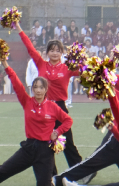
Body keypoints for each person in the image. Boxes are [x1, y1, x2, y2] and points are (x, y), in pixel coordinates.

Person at [54, 73, 119, 186]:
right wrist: (98, 72)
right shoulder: (118, 96)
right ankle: (57, 180)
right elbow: (105, 86)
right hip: (114, 143)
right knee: (90, 163)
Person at [18, 24, 84, 167]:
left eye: (58, 51)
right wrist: (18, 27)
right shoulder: (41, 64)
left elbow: (85, 70)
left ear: (62, 53)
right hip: (44, 107)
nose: (54, 53)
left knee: (68, 141)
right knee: (44, 142)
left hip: (59, 107)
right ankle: (50, 172)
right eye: (52, 50)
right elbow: (30, 47)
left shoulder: (67, 68)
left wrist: (84, 60)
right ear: (47, 52)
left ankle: (79, 169)